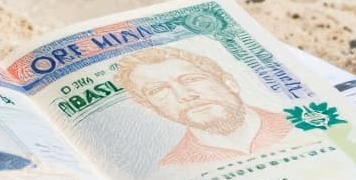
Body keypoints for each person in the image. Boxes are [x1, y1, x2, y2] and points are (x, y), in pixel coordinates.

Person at [112, 46, 295, 167]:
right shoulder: (174, 167)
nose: (184, 95)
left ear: (229, 83)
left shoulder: (296, 125)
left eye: (191, 79)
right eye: (158, 90)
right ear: (151, 108)